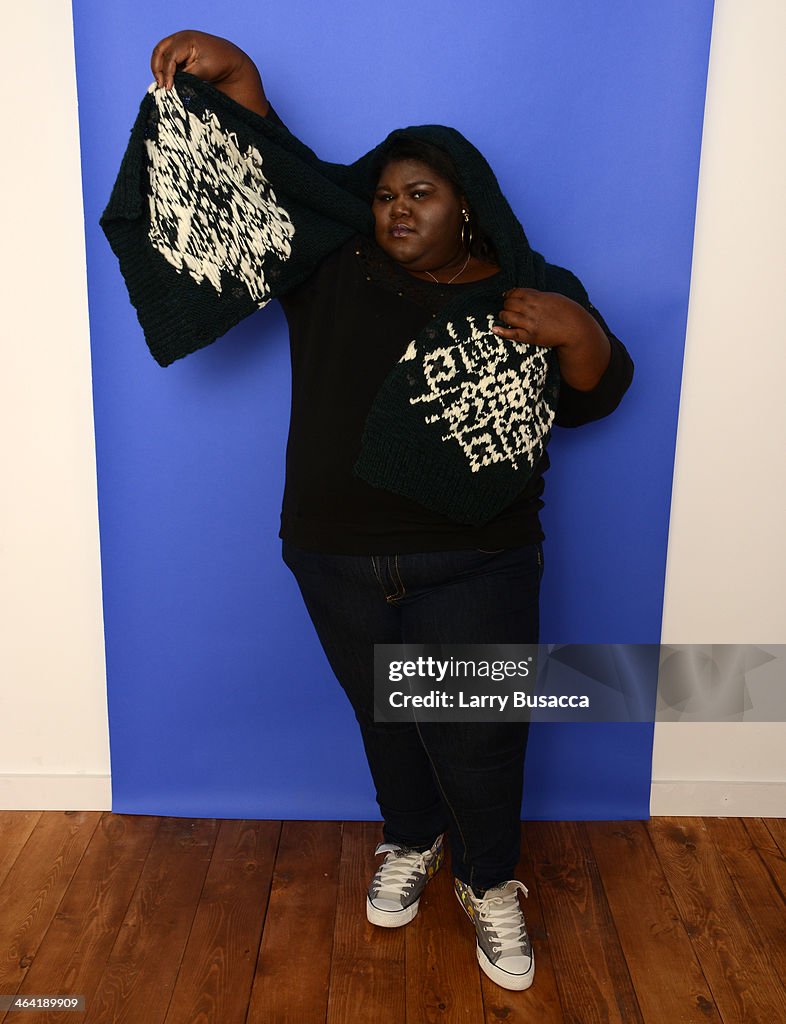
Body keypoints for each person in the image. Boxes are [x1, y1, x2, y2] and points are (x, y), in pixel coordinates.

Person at [103, 28, 633, 993]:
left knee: (477, 729)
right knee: (385, 717)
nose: (394, 209)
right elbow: (288, 182)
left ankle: (489, 881)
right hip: (333, 551)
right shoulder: (337, 263)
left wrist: (580, 332)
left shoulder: (531, 292)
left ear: (466, 209)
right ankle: (410, 839)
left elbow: (595, 398)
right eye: (385, 194)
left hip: (479, 556)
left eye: (418, 194)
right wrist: (245, 84)